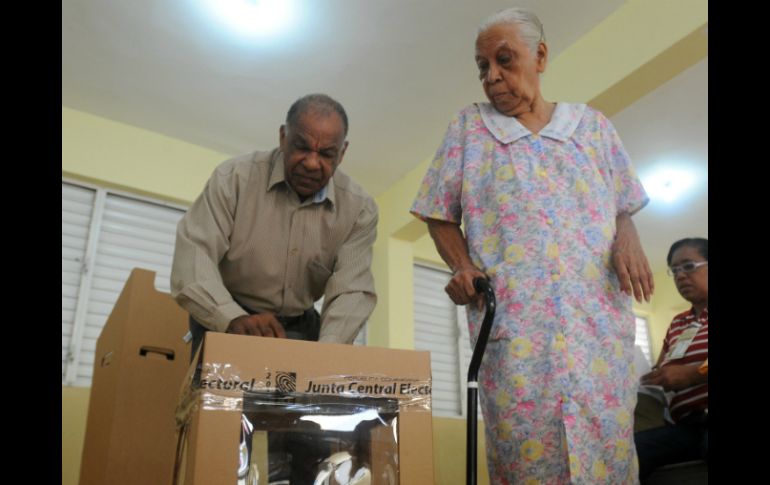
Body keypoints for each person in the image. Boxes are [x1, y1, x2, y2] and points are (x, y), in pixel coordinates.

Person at [410, 7, 653, 483]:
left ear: (539, 56)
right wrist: (462, 266)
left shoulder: (593, 127)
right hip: (516, 335)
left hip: (596, 328)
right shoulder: (470, 129)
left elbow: (622, 200)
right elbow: (437, 212)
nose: (492, 76)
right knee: (525, 458)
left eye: (504, 60)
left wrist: (627, 235)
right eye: (483, 67)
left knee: (607, 452)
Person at [171, 93, 378, 357]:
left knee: (305, 397)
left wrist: (329, 351)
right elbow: (194, 256)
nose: (312, 163)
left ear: (343, 152)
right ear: (283, 136)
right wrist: (231, 317)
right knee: (220, 399)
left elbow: (352, 289)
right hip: (227, 319)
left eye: (327, 154)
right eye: (302, 147)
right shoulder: (234, 178)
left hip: (302, 327)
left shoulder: (359, 209)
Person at [635, 238, 708, 479]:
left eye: (688, 266)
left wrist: (694, 373)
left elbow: (688, 374)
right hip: (687, 426)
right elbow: (661, 368)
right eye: (674, 270)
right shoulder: (678, 324)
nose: (680, 276)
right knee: (627, 451)